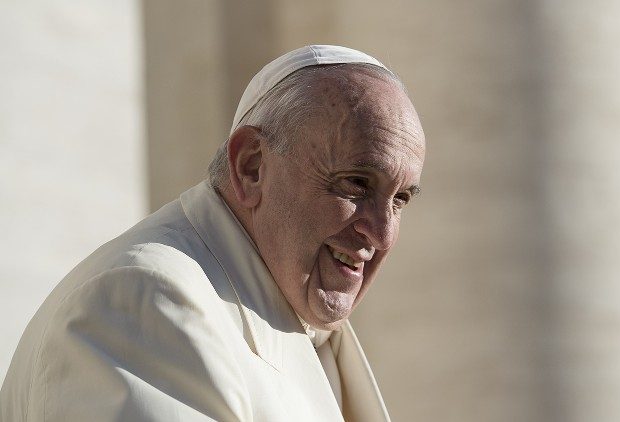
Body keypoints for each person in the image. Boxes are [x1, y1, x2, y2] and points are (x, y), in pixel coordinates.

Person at [0, 45, 425, 421]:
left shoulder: (292, 312)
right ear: (252, 167)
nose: (383, 233)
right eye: (356, 183)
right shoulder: (148, 301)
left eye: (401, 199)